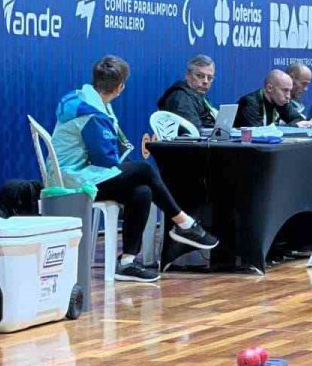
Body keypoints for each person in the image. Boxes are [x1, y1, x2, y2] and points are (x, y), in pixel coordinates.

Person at [52, 56, 219, 283]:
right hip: (74, 180)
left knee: (142, 191)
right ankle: (184, 223)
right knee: (143, 170)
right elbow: (105, 161)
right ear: (120, 87)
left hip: (82, 172)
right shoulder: (92, 113)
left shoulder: (82, 96)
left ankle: (127, 262)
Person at [234, 69, 312, 128]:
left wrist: (295, 125)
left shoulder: (280, 101)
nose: (288, 96)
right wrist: (294, 126)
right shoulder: (250, 102)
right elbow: (257, 133)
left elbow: (298, 119)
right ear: (269, 88)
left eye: (289, 91)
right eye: (285, 90)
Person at [157, 54, 218, 130]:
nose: (206, 81)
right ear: (187, 75)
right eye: (200, 76)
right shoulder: (181, 98)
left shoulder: (199, 96)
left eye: (209, 78)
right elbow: (194, 131)